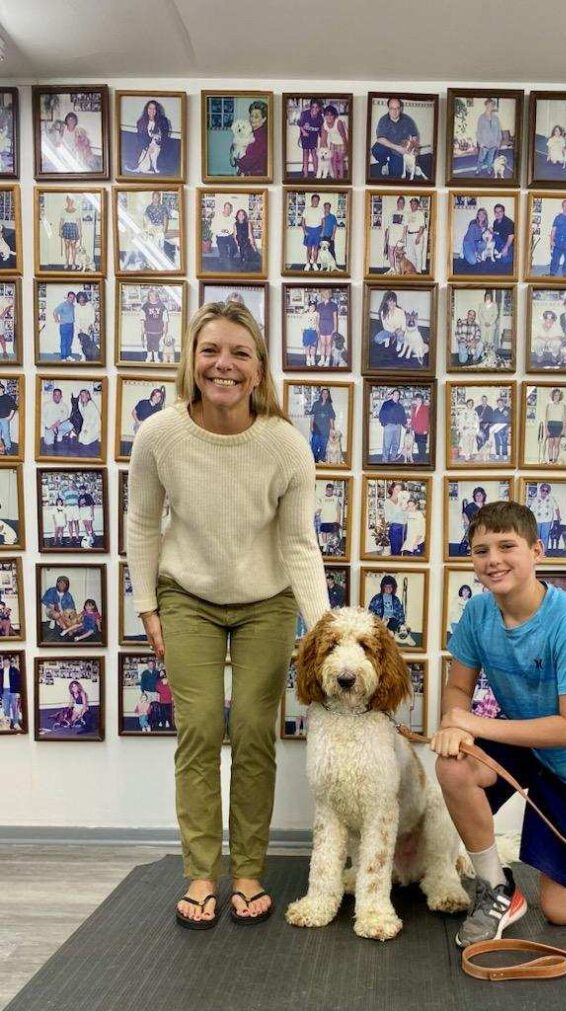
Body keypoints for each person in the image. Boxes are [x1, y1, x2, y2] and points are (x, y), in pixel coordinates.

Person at [128, 299, 329, 929]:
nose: (224, 364)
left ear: (260, 369)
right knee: (198, 729)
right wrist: (146, 607)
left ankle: (247, 871)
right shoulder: (159, 435)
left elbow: (299, 543)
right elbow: (141, 523)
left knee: (249, 730)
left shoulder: (286, 445)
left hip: (267, 602)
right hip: (186, 597)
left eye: (240, 353)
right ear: (191, 360)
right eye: (211, 350)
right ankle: (199, 874)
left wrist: (326, 633)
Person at [431, 500, 566, 946]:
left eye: (506, 546)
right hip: (522, 740)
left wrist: (474, 724)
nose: (493, 559)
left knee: (561, 912)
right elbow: (458, 689)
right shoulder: (478, 615)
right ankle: (497, 888)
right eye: (481, 550)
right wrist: (456, 724)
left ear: (537, 551)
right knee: (452, 765)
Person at [371, 97, 420, 178]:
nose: (395, 111)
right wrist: (397, 148)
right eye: (392, 108)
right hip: (387, 147)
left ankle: (405, 164)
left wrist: (413, 147)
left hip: (400, 150)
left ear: (400, 108)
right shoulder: (383, 120)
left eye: (397, 108)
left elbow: (414, 135)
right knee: (376, 150)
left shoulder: (407, 120)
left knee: (396, 172)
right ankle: (385, 163)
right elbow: (380, 139)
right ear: (388, 109)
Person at [133, 99, 172, 175]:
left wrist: (158, 142)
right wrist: (147, 147)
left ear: (157, 110)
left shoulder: (163, 121)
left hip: (159, 146)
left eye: (154, 109)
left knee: (155, 154)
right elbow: (140, 138)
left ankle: (155, 167)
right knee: (145, 157)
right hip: (146, 147)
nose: (152, 110)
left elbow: (165, 137)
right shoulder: (141, 122)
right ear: (146, 110)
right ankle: (144, 168)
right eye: (150, 108)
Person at [233, 100, 268, 177]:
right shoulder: (252, 132)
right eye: (251, 116)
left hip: (255, 176)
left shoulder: (261, 136)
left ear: (264, 119)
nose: (252, 119)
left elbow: (249, 161)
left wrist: (237, 160)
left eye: (256, 117)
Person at [296, 99, 324, 177]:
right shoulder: (305, 114)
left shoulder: (320, 117)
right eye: (313, 107)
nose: (315, 109)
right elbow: (299, 123)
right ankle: (305, 173)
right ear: (310, 107)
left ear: (319, 108)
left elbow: (321, 130)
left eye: (317, 107)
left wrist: (323, 140)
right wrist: (304, 132)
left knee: (314, 153)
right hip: (305, 135)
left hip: (313, 135)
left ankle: (316, 172)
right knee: (305, 152)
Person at [320, 105, 348, 180]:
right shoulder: (324, 125)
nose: (329, 117)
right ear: (324, 116)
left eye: (331, 115)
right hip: (333, 143)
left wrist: (346, 148)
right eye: (327, 115)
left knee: (340, 161)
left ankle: (341, 178)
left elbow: (344, 136)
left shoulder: (338, 123)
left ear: (334, 116)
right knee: (333, 161)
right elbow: (323, 139)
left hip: (341, 143)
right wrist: (323, 150)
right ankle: (336, 178)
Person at [378, 388, 406, 464]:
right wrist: (384, 423)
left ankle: (393, 458)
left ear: (399, 396)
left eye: (398, 394)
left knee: (396, 444)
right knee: (387, 444)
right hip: (389, 426)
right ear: (392, 395)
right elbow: (381, 414)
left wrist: (406, 426)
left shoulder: (400, 406)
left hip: (398, 427)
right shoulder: (386, 404)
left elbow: (403, 417)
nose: (397, 396)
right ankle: (385, 460)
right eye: (395, 394)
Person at [308, 386, 335, 463]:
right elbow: (312, 415)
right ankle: (314, 459)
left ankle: (321, 458)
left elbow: (331, 417)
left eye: (327, 393)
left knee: (324, 445)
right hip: (316, 428)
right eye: (323, 393)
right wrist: (311, 426)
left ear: (328, 395)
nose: (325, 394)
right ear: (321, 394)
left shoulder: (329, 405)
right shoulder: (316, 404)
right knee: (314, 444)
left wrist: (332, 428)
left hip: (326, 429)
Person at [476, 98, 502, 175]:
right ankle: (478, 169)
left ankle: (489, 170)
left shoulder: (496, 118)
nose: (490, 106)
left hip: (493, 142)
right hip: (484, 143)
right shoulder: (481, 117)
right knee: (481, 158)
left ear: (493, 107)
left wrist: (498, 141)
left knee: (490, 159)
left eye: (492, 105)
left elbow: (498, 130)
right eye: (488, 105)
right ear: (486, 105)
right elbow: (478, 131)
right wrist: (480, 142)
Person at [58, 194, 82, 271]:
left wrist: (80, 232)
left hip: (74, 229)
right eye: (68, 200)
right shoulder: (63, 210)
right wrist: (60, 231)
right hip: (66, 229)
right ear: (67, 201)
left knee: (73, 247)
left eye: (71, 200)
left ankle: (74, 263)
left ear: (73, 201)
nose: (70, 201)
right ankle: (67, 262)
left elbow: (79, 222)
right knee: (67, 247)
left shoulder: (77, 211)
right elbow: (61, 222)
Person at [315, 288, 338, 368]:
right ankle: (322, 359)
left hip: (329, 325)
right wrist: (317, 326)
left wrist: (335, 327)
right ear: (322, 294)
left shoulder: (334, 305)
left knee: (328, 343)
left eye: (328, 293)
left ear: (330, 294)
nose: (326, 294)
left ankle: (327, 360)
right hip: (322, 324)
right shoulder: (319, 305)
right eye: (324, 293)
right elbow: (318, 317)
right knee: (322, 343)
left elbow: (335, 317)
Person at [316, 482, 342, 552]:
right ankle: (325, 546)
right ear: (326, 490)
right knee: (324, 532)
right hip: (324, 519)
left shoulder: (336, 498)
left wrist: (338, 519)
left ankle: (331, 547)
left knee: (332, 534)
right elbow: (319, 508)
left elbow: (338, 509)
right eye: (328, 490)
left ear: (333, 490)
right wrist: (316, 513)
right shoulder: (322, 498)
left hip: (333, 519)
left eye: (331, 490)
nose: (329, 491)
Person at [383, 196, 407, 272]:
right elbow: (389, 226)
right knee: (390, 252)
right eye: (399, 202)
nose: (400, 204)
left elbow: (406, 227)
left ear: (404, 204)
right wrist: (387, 237)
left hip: (400, 237)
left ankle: (398, 270)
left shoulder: (405, 214)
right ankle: (392, 268)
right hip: (392, 236)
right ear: (397, 203)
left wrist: (403, 238)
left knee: (398, 254)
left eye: (402, 203)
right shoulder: (392, 213)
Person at [544, 387, 566, 464]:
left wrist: (564, 429)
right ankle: (550, 461)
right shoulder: (548, 405)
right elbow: (546, 418)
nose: (556, 397)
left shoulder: (563, 405)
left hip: (559, 426)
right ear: (552, 396)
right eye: (555, 395)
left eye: (558, 395)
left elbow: (564, 418)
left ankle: (555, 460)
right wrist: (546, 430)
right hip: (550, 426)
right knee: (550, 444)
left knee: (556, 445)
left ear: (560, 396)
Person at [301, 193, 324, 272]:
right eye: (314, 200)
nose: (315, 201)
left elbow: (323, 222)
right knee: (309, 249)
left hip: (317, 230)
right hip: (309, 230)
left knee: (316, 249)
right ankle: (308, 263)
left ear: (318, 201)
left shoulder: (320, 210)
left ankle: (314, 264)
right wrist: (305, 231)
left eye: (317, 200)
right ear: (311, 200)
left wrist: (322, 232)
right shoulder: (306, 209)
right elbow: (303, 221)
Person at [52, 290, 77, 361]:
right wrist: (57, 321)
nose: (72, 299)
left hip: (71, 325)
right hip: (64, 326)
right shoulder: (62, 305)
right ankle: (63, 357)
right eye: (70, 297)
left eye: (73, 298)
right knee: (63, 342)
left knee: (69, 341)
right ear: (67, 297)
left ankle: (68, 355)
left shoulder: (73, 306)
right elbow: (55, 312)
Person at [384, 482, 407, 556]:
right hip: (395, 528)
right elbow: (389, 519)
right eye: (397, 489)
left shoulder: (402, 501)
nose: (398, 492)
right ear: (392, 489)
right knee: (396, 552)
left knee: (405, 552)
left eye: (400, 490)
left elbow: (406, 516)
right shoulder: (387, 502)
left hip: (405, 527)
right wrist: (398, 506)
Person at [211, 201, 237, 266]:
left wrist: (227, 231)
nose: (228, 210)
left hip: (229, 236)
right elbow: (212, 228)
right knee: (224, 255)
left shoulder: (232, 219)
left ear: (231, 210)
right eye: (226, 208)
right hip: (220, 237)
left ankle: (230, 257)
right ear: (224, 208)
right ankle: (222, 256)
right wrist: (221, 231)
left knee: (235, 248)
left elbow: (233, 229)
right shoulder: (217, 217)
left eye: (229, 208)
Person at [74, 291, 98, 361]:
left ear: (84, 298)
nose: (81, 299)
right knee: (80, 342)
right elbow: (76, 318)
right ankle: (83, 356)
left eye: (82, 297)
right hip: (80, 326)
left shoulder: (89, 305)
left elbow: (92, 316)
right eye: (79, 298)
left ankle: (89, 356)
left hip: (88, 326)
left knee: (88, 343)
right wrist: (80, 328)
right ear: (78, 299)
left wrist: (91, 325)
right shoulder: (76, 307)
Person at [405, 197, 427, 272]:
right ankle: (413, 270)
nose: (412, 205)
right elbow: (406, 225)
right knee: (411, 255)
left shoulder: (420, 214)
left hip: (417, 235)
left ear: (417, 205)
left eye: (414, 204)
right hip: (409, 235)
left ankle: (418, 272)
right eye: (411, 204)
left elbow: (422, 226)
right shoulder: (408, 213)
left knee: (418, 255)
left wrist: (418, 237)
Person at [409, 392, 430, 463]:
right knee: (418, 445)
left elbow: (427, 419)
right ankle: (421, 457)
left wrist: (426, 429)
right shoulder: (414, 408)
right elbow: (413, 419)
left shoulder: (425, 408)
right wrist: (411, 427)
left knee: (422, 446)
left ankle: (423, 460)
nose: (418, 401)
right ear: (415, 400)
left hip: (423, 430)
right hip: (416, 430)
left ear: (422, 400)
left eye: (419, 399)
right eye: (417, 399)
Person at [0, 379, 17, 454]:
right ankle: (1, 448)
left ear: (3, 389)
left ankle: (8, 447)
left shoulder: (7, 397)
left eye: (0, 388)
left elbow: (14, 407)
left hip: (4, 419)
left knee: (6, 433)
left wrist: (10, 417)